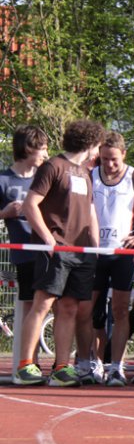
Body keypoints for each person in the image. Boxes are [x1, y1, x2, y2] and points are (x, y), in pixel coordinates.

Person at [17, 119, 104, 387]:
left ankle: (61, 367)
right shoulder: (53, 166)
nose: (98, 152)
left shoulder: (86, 173)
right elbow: (30, 205)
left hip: (81, 252)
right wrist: (48, 239)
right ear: (90, 143)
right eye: (98, 146)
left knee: (69, 308)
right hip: (56, 248)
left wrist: (95, 247)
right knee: (42, 304)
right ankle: (25, 365)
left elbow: (90, 212)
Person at [90, 131, 134, 385]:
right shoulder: (90, 176)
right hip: (95, 253)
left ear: (123, 154)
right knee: (91, 311)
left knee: (120, 310)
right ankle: (95, 362)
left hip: (122, 254)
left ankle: (116, 366)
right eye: (104, 159)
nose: (109, 165)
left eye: (114, 159)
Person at [0, 125, 49, 381]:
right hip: (25, 254)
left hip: (49, 250)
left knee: (53, 306)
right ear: (28, 149)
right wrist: (5, 213)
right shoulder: (3, 179)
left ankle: (54, 362)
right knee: (31, 306)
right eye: (42, 149)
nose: (46, 154)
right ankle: (28, 363)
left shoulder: (44, 177)